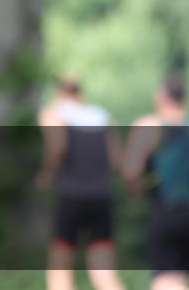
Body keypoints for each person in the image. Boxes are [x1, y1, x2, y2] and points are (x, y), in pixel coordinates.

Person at [36, 76, 125, 290]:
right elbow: (116, 160)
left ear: (58, 93)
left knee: (60, 268)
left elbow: (58, 146)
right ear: (80, 93)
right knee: (103, 270)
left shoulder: (53, 113)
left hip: (71, 195)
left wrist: (46, 174)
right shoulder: (100, 116)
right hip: (101, 195)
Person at [122, 74, 189, 290]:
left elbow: (131, 171)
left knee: (165, 280)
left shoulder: (148, 126)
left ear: (162, 97)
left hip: (164, 211)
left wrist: (135, 194)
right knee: (188, 279)